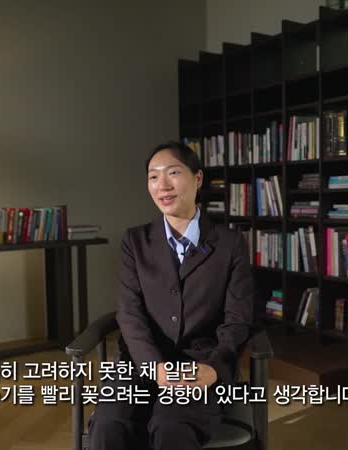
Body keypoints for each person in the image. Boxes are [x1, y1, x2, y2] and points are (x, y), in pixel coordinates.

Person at [87, 141, 255, 450]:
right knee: (109, 425)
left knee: (171, 428)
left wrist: (215, 367)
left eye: (173, 173)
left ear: (198, 178)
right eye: (153, 176)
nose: (162, 185)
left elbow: (238, 318)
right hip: (140, 361)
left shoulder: (230, 243)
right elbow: (129, 313)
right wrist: (154, 366)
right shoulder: (135, 241)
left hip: (200, 363)